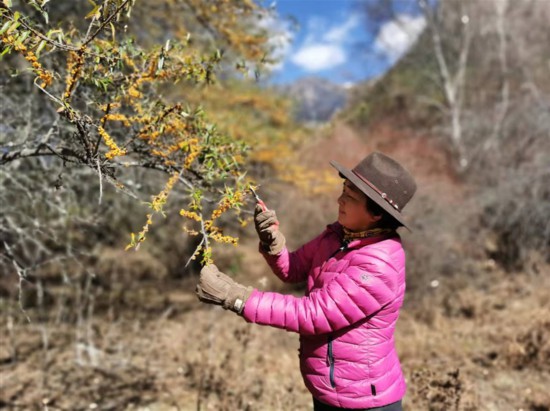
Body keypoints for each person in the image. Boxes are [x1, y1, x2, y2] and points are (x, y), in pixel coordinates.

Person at [195, 152, 417, 411]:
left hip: (364, 402)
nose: (339, 200)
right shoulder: (337, 236)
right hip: (330, 390)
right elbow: (294, 270)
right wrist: (273, 243)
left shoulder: (379, 264)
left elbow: (315, 314)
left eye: (350, 197)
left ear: (377, 214)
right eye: (343, 191)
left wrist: (237, 297)